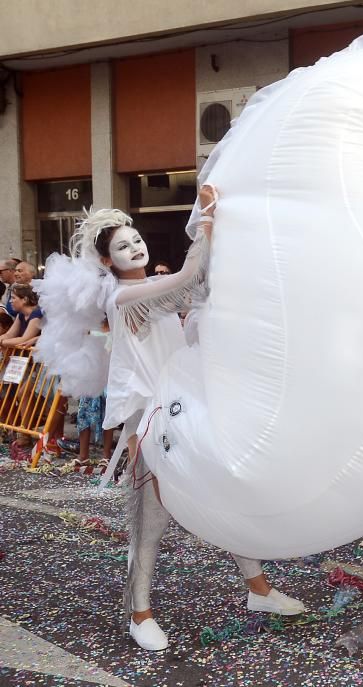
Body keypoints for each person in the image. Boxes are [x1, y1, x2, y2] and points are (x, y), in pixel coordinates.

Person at [51, 189, 304, 652]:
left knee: (225, 497)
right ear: (107, 263)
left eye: (136, 239)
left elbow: (197, 294)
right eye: (123, 247)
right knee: (150, 521)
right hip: (150, 423)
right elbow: (191, 274)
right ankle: (139, 612)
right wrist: (207, 220)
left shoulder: (154, 294)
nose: (136, 248)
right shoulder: (126, 298)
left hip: (185, 409)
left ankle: (258, 590)